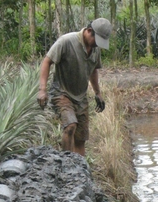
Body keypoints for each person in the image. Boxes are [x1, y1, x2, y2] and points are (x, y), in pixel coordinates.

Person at [38, 18, 112, 156]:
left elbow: (93, 70)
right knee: (70, 126)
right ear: (89, 31)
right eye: (97, 40)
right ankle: (67, 165)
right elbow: (47, 61)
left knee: (81, 137)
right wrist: (42, 90)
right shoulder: (66, 41)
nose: (97, 45)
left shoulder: (95, 50)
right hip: (62, 92)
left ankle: (80, 170)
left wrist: (98, 93)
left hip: (81, 96)